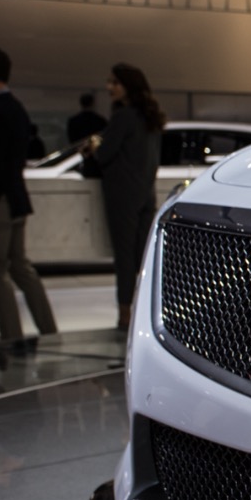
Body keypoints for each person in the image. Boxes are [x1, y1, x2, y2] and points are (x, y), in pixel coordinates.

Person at [87, 63, 163, 330]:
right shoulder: (151, 117)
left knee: (124, 256)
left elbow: (105, 155)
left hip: (122, 195)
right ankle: (148, 311)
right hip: (145, 192)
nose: (109, 87)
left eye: (114, 82)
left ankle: (125, 314)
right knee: (143, 256)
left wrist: (95, 146)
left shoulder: (123, 117)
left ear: (128, 86)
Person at [0, 47, 60, 354]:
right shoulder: (16, 108)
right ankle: (49, 331)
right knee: (21, 267)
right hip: (16, 198)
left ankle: (12, 338)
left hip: (2, 201)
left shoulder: (1, 109)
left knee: (2, 273)